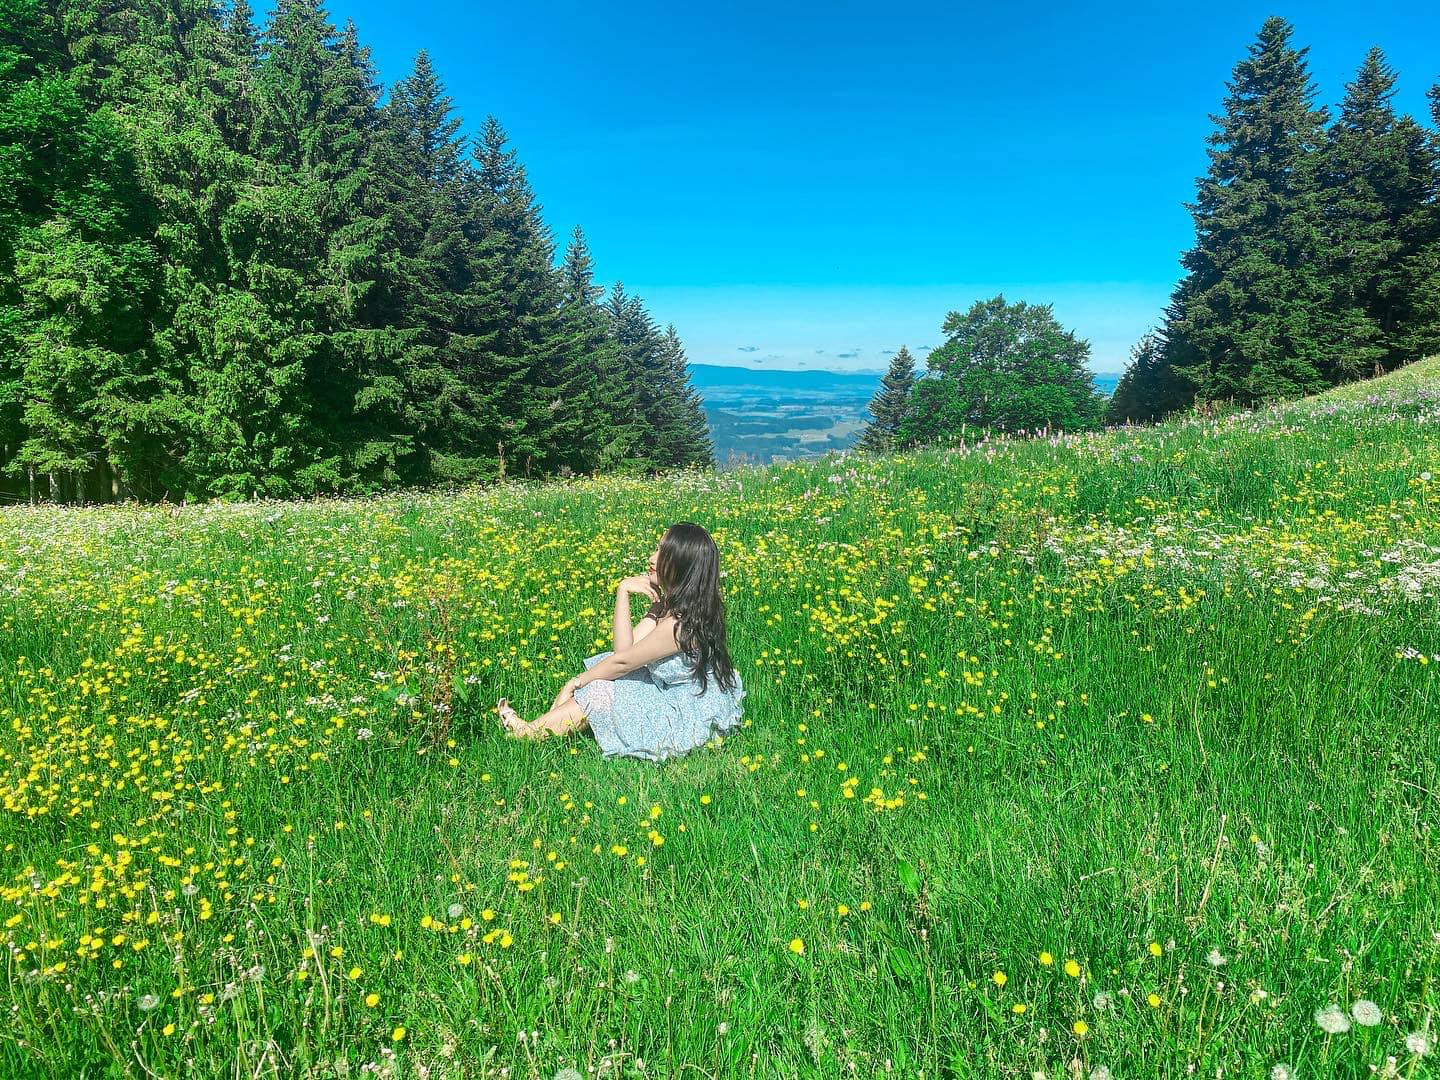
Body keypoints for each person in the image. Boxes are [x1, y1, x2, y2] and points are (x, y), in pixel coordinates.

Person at [495, 522, 745, 762]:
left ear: (681, 565)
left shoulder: (679, 625)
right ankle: (539, 727)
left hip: (684, 711)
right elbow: (624, 651)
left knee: (598, 690)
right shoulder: (675, 606)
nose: (651, 558)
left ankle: (528, 734)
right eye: (656, 549)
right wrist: (623, 591)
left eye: (661, 553)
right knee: (606, 672)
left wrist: (575, 682)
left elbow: (623, 661)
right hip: (670, 690)